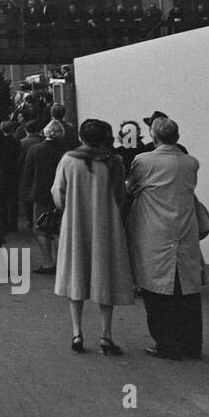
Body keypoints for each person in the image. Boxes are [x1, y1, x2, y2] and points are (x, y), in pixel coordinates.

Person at [53, 119, 134, 356]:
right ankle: (106, 334)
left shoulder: (68, 160)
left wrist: (68, 208)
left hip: (76, 222)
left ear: (81, 137)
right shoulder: (114, 163)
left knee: (76, 274)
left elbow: (58, 193)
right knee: (104, 275)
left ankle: (77, 332)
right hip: (105, 223)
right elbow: (121, 195)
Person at [126, 117, 205, 360]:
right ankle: (192, 345)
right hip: (184, 230)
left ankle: (167, 343)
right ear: (177, 137)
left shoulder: (143, 161)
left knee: (157, 290)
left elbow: (131, 187)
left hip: (155, 231)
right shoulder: (191, 163)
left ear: (153, 137)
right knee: (187, 291)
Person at [20, 120, 66, 275]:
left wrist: (25, 192)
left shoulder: (35, 149)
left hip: (41, 193)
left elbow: (27, 172)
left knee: (41, 229)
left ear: (45, 133)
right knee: (58, 229)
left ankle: (48, 262)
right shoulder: (67, 150)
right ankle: (61, 263)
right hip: (62, 193)